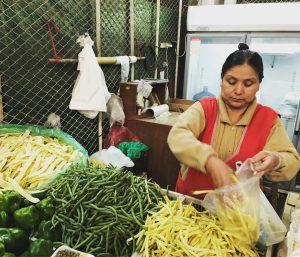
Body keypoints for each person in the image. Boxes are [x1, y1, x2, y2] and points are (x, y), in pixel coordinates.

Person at [167, 43, 300, 197]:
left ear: (258, 85)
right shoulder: (204, 108)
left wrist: (276, 160)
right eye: (231, 81)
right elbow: (177, 136)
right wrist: (209, 160)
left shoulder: (268, 119)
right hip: (192, 205)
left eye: (248, 84)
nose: (238, 90)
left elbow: (292, 160)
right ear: (221, 80)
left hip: (239, 211)